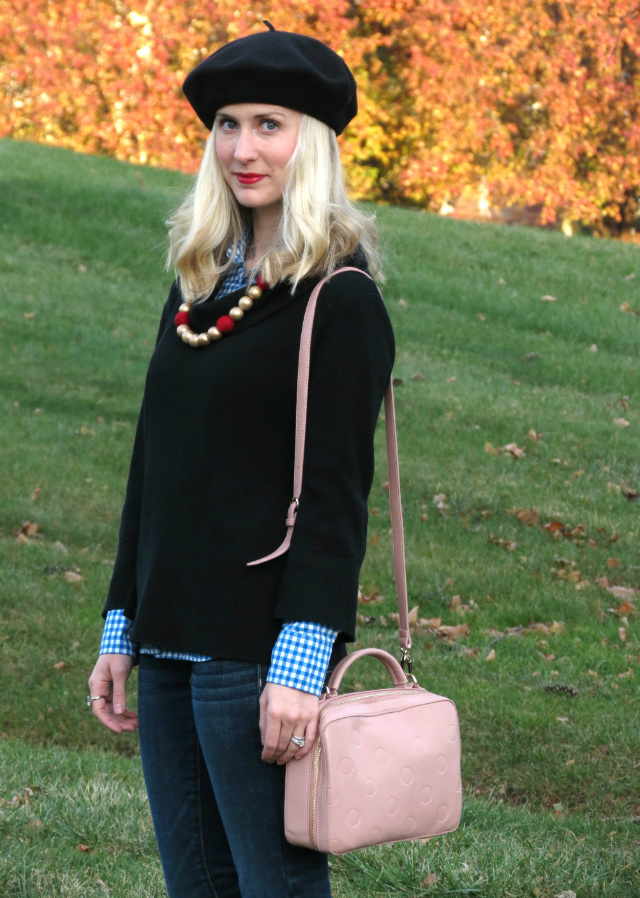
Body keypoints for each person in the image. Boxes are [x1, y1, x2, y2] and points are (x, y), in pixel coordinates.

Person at [88, 21, 394, 898]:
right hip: (169, 638)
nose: (243, 148)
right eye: (227, 124)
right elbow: (154, 470)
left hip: (255, 655)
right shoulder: (197, 287)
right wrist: (121, 627)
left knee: (275, 887)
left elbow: (336, 501)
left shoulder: (341, 300)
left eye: (270, 123)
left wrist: (300, 670)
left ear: (315, 143)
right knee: (197, 886)